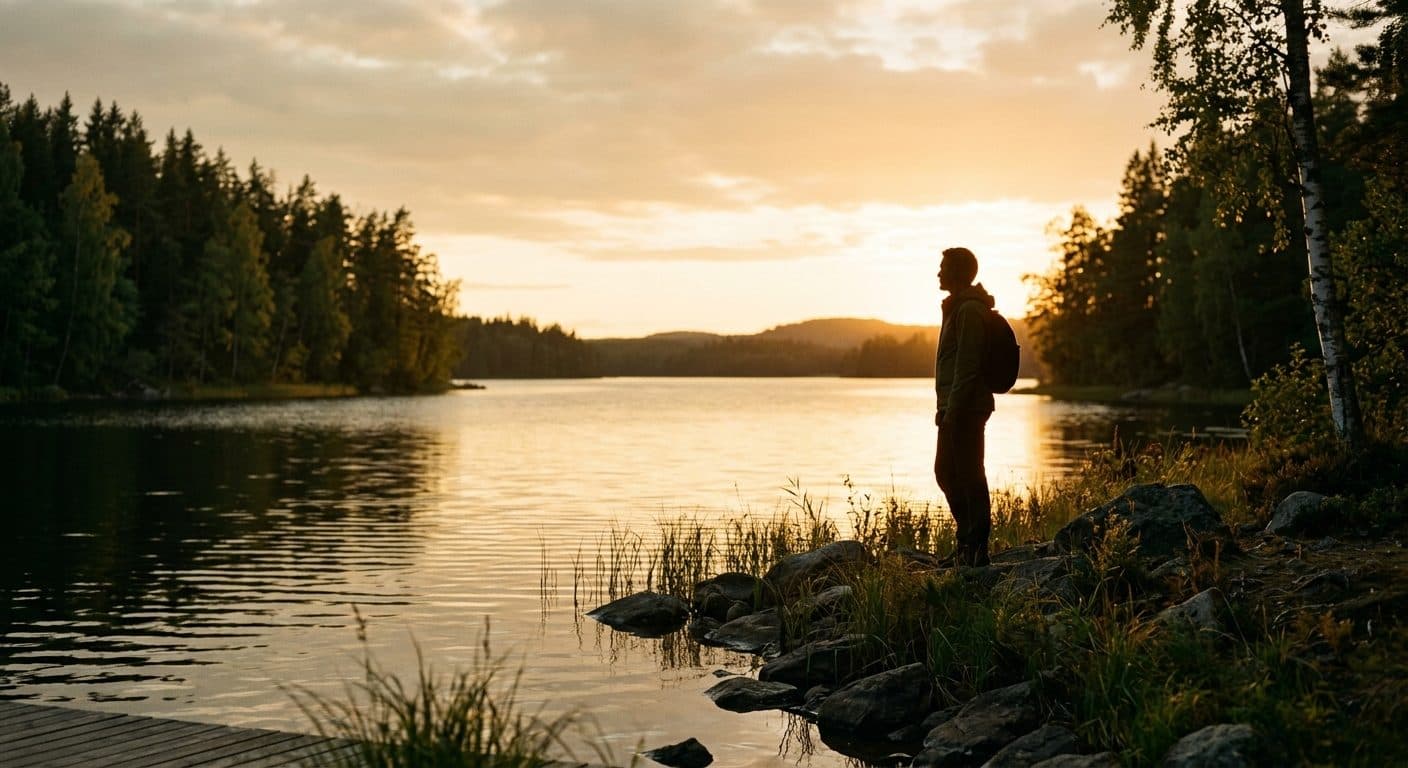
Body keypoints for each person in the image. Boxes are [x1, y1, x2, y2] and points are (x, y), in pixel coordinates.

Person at [933, 246, 994, 567]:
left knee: (967, 473)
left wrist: (953, 409)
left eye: (943, 267)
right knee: (949, 471)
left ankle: (976, 549)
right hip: (956, 406)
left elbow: (967, 366)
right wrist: (945, 407)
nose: (938, 273)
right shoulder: (957, 307)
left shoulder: (969, 310)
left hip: (967, 408)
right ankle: (967, 544)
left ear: (957, 271)